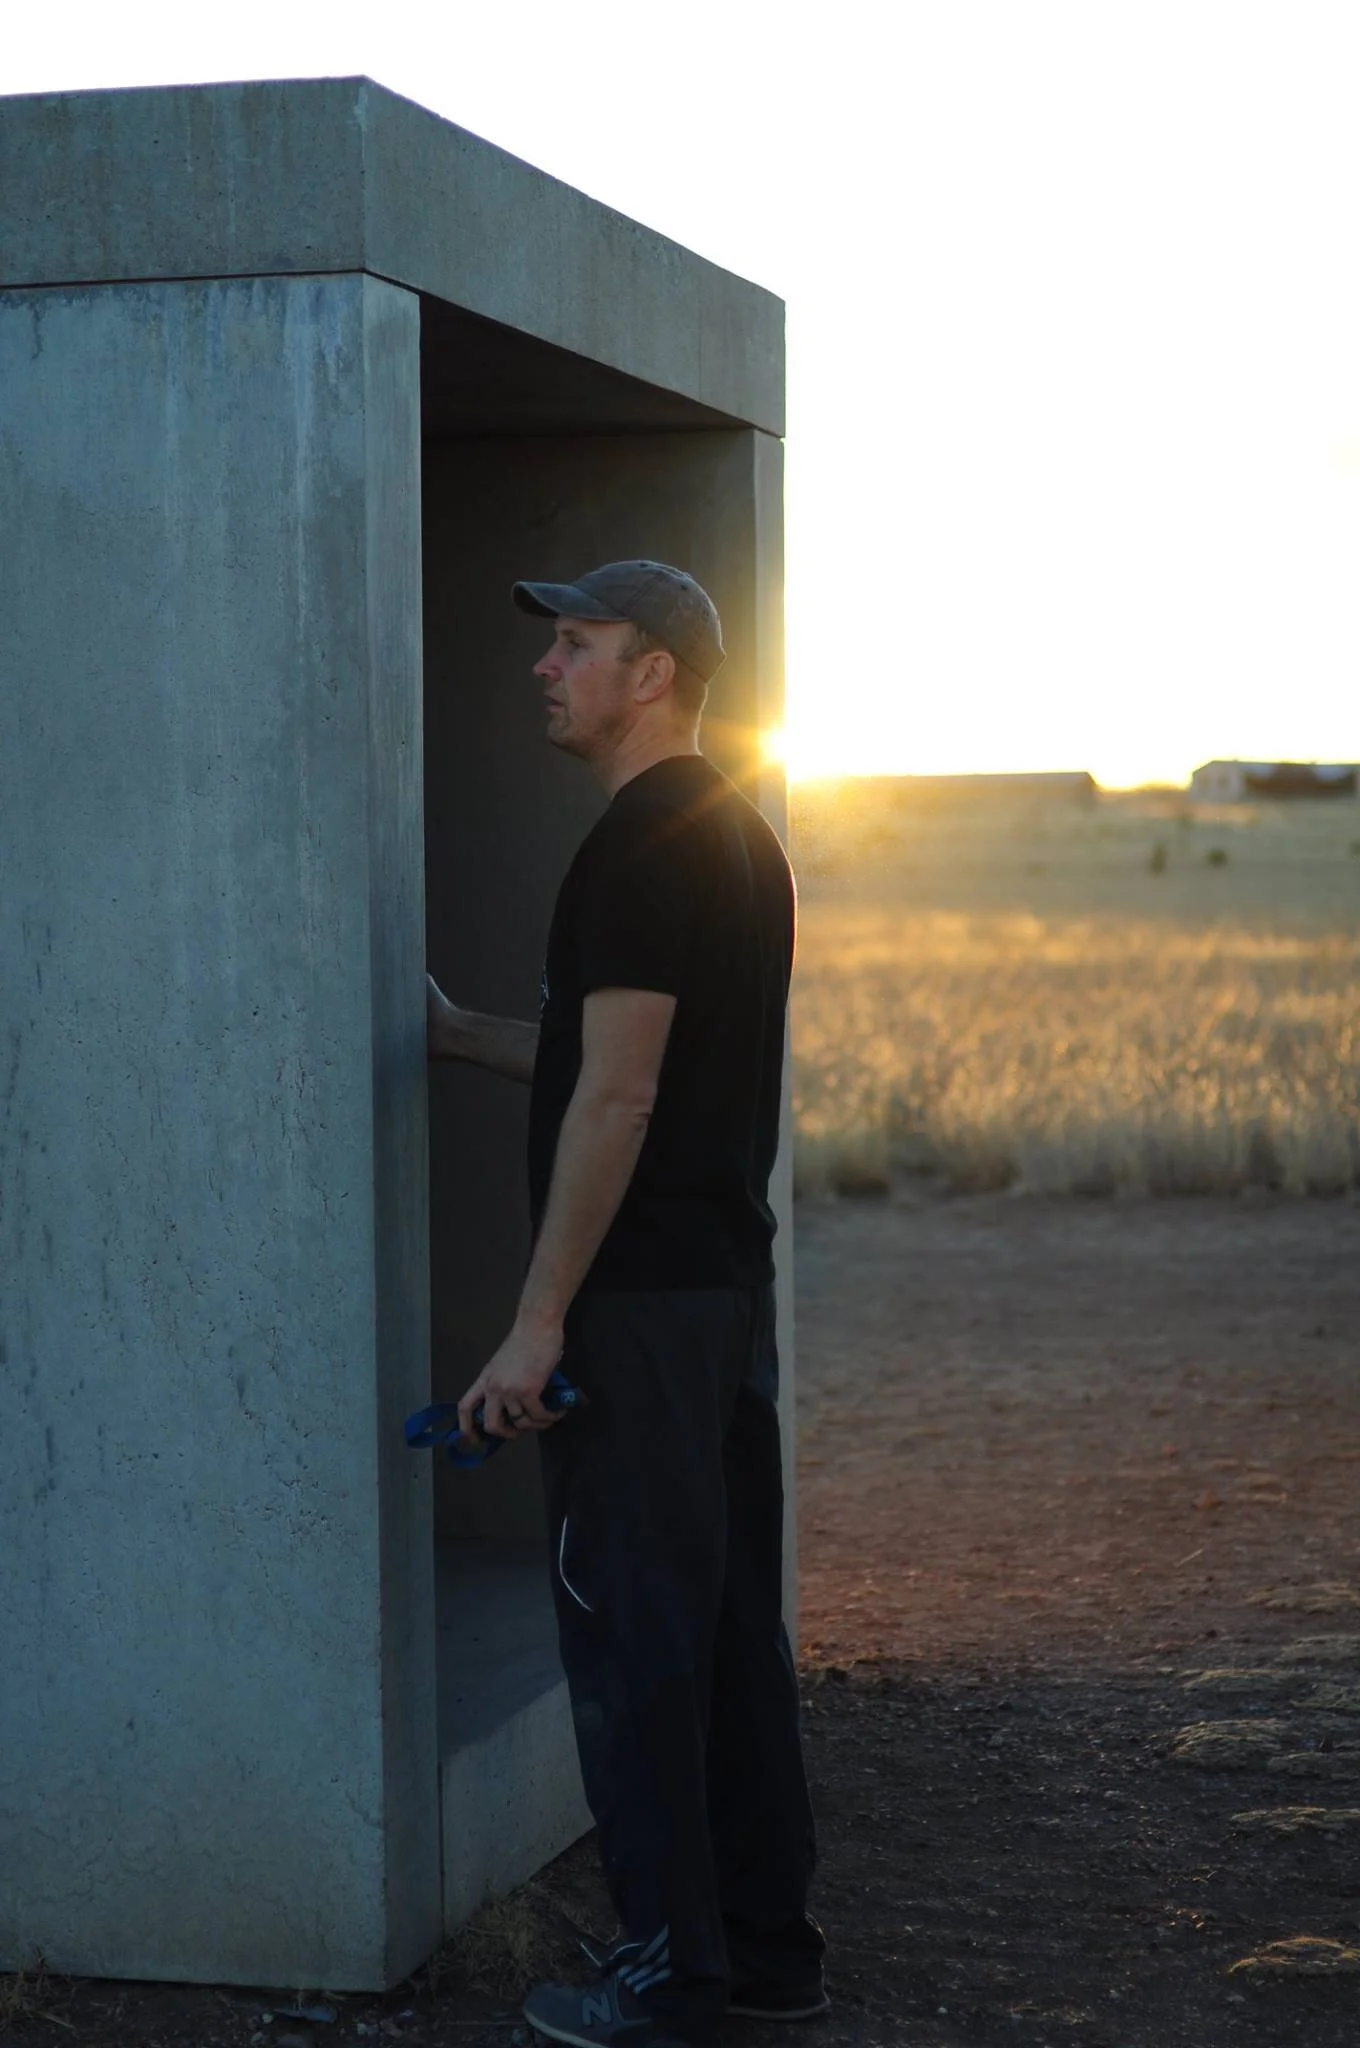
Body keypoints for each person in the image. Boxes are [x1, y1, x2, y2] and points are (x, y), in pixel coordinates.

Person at [426, 560, 825, 2048]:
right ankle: (771, 1949)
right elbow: (628, 1058)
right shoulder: (733, 838)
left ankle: (668, 1975)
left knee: (630, 1633)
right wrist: (463, 1037)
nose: (548, 668)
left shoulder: (638, 848)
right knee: (721, 1625)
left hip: (638, 1315)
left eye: (576, 645)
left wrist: (536, 1327)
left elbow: (625, 1091)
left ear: (649, 674)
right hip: (720, 1298)